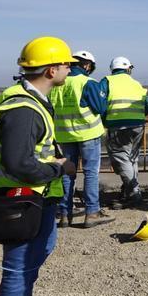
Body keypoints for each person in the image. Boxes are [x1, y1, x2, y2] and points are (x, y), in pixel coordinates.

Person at [0, 36, 79, 296]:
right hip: (21, 199)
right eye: (66, 64)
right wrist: (59, 169)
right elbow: (18, 163)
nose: (69, 69)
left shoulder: (29, 100)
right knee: (19, 268)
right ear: (51, 70)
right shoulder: (23, 108)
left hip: (31, 198)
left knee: (32, 257)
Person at [49, 50, 112, 228]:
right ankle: (92, 212)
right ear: (87, 65)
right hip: (88, 134)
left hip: (64, 135)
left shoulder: (57, 83)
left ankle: (64, 214)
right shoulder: (88, 82)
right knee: (91, 172)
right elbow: (100, 107)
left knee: (67, 174)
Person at [103, 56, 148, 209]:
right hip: (138, 125)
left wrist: (105, 120)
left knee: (122, 159)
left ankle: (133, 193)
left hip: (117, 126)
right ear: (128, 68)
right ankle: (130, 190)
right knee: (132, 159)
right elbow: (146, 107)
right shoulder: (136, 84)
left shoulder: (107, 81)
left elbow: (101, 105)